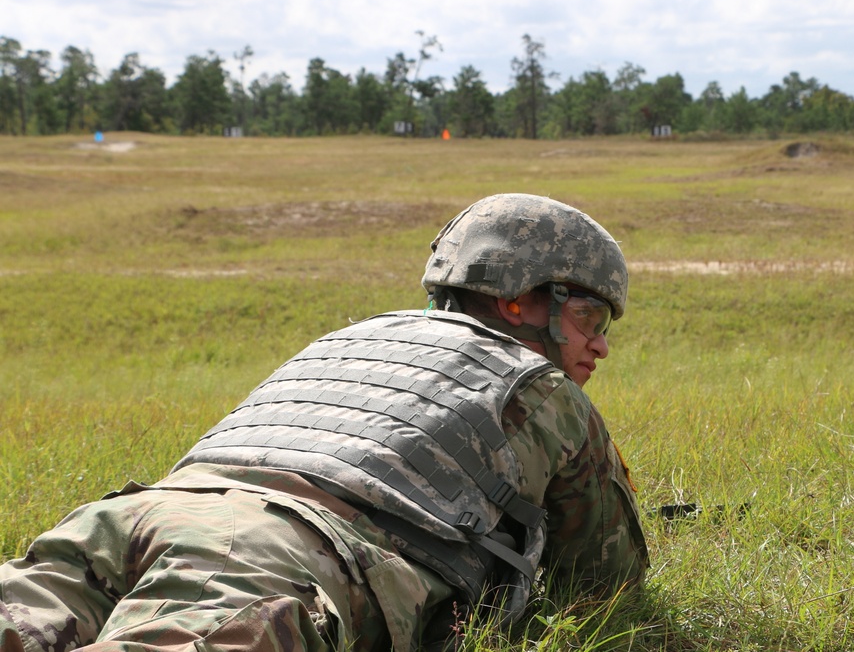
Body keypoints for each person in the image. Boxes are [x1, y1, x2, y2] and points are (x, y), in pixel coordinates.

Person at [0, 193, 648, 652]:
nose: (601, 346)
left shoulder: (357, 334)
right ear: (522, 298)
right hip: (272, 551)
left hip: (127, 515)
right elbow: (604, 582)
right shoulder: (542, 388)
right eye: (592, 318)